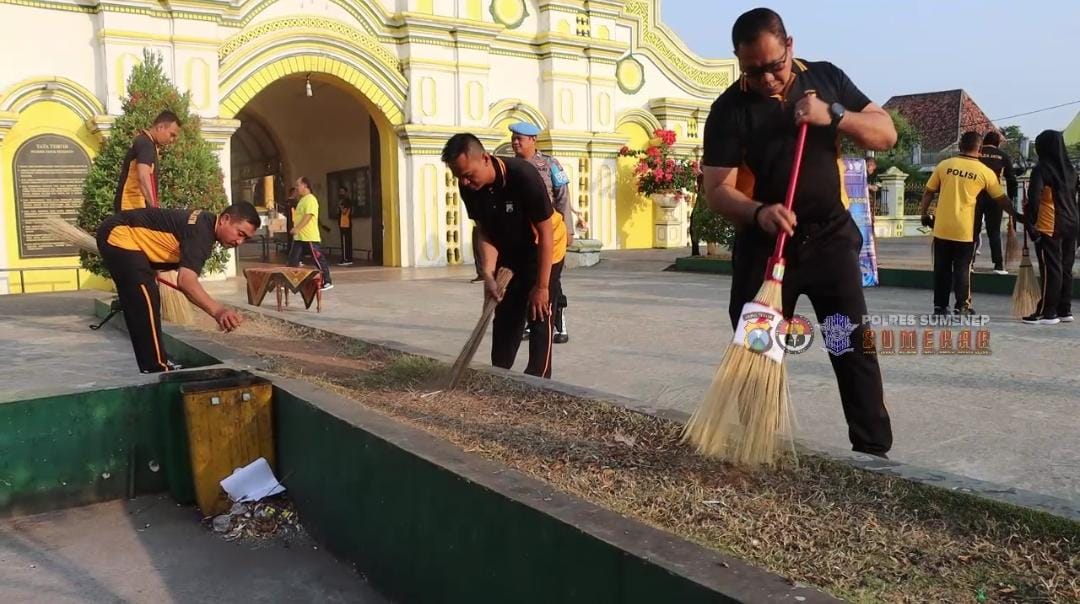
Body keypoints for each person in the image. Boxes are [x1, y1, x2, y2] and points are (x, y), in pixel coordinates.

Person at [701, 8, 896, 458]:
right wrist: (759, 213)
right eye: (753, 70)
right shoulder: (728, 110)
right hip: (765, 249)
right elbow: (718, 191)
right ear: (738, 60)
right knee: (757, 352)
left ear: (790, 46)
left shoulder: (825, 78)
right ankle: (757, 446)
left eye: (775, 65)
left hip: (830, 241)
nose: (767, 79)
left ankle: (873, 452)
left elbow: (885, 134)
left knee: (851, 346)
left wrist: (834, 114)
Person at [442, 133, 567, 378]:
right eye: (459, 177)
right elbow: (485, 231)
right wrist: (488, 275)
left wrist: (542, 287)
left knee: (539, 311)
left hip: (545, 247)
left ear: (485, 158)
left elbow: (546, 232)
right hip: (510, 249)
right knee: (506, 313)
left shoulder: (522, 175)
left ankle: (538, 381)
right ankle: (499, 375)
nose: (465, 182)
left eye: (468, 175)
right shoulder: (469, 187)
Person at [96, 203, 257, 373]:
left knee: (144, 296)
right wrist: (219, 311)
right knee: (145, 300)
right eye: (240, 233)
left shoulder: (203, 224)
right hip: (120, 234)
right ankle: (156, 368)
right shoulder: (202, 233)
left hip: (125, 237)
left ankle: (156, 365)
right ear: (225, 219)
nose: (239, 242)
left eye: (245, 239)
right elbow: (186, 281)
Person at [919, 131, 1015, 315]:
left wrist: (924, 215)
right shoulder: (985, 172)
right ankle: (962, 306)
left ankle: (940, 307)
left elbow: (929, 192)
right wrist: (1016, 215)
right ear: (980, 150)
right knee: (963, 268)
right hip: (965, 229)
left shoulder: (944, 165)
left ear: (960, 146)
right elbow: (1001, 199)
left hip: (941, 228)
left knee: (941, 269)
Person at [510, 121, 572, 344]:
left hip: (551, 233)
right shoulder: (510, 166)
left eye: (520, 139)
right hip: (523, 235)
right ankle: (530, 321)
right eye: (513, 138)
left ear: (533, 140)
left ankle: (559, 323)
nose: (515, 142)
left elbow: (563, 197)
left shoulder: (550, 164)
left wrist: (568, 229)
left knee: (552, 281)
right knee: (527, 279)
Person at [1022, 130, 1079, 325]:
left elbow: (1034, 199)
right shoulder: (1071, 170)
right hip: (1073, 224)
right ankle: (1064, 310)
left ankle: (1047, 312)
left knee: (1051, 268)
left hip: (1050, 224)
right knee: (1066, 268)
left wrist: (1030, 222)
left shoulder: (1042, 169)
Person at [114, 110, 182, 213]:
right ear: (160, 127)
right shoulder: (146, 144)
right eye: (171, 135)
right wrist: (154, 208)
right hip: (131, 207)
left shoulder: (148, 144)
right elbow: (143, 176)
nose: (172, 140)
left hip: (135, 208)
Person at [974, 131, 1019, 274]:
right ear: (998, 143)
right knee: (994, 232)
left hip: (975, 196)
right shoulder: (1003, 156)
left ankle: (969, 263)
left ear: (983, 141)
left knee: (973, 230)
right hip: (995, 197)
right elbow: (1011, 180)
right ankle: (998, 265)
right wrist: (1010, 200)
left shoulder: (976, 153)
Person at [287, 176, 333, 291]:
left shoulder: (311, 199)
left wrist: (297, 228)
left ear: (305, 185)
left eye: (298, 185)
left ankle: (327, 281)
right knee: (293, 260)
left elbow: (309, 216)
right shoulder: (302, 200)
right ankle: (289, 282)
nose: (296, 188)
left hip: (309, 237)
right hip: (299, 238)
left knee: (318, 259)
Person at [336, 185, 356, 266]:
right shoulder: (342, 201)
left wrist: (340, 206)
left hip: (345, 224)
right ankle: (346, 258)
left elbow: (344, 212)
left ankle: (346, 258)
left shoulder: (347, 201)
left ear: (346, 192)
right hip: (342, 223)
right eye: (340, 191)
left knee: (345, 241)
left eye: (342, 191)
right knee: (345, 241)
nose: (340, 193)